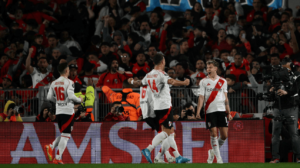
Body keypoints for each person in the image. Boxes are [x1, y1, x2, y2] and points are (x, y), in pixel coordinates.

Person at [129, 54, 190, 163]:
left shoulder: (148, 75)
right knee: (166, 132)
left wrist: (132, 82)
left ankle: (175, 157)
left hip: (157, 106)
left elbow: (139, 83)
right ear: (162, 61)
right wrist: (184, 83)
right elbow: (172, 81)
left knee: (171, 133)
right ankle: (148, 149)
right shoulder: (162, 74)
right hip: (165, 106)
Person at [45, 63, 83, 164]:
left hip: (59, 111)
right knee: (66, 135)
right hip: (67, 111)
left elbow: (48, 97)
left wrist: (58, 101)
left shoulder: (53, 83)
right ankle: (57, 158)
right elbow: (71, 96)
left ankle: (51, 146)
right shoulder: (70, 82)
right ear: (67, 71)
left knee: (64, 134)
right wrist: (79, 100)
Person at [196, 60, 233, 164]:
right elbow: (201, 97)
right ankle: (219, 158)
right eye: (207, 68)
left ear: (215, 68)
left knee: (224, 136)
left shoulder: (223, 81)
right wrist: (198, 111)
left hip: (221, 110)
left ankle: (212, 152)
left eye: (210, 67)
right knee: (213, 133)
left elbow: (226, 98)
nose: (208, 69)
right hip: (209, 110)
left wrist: (228, 112)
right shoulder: (203, 81)